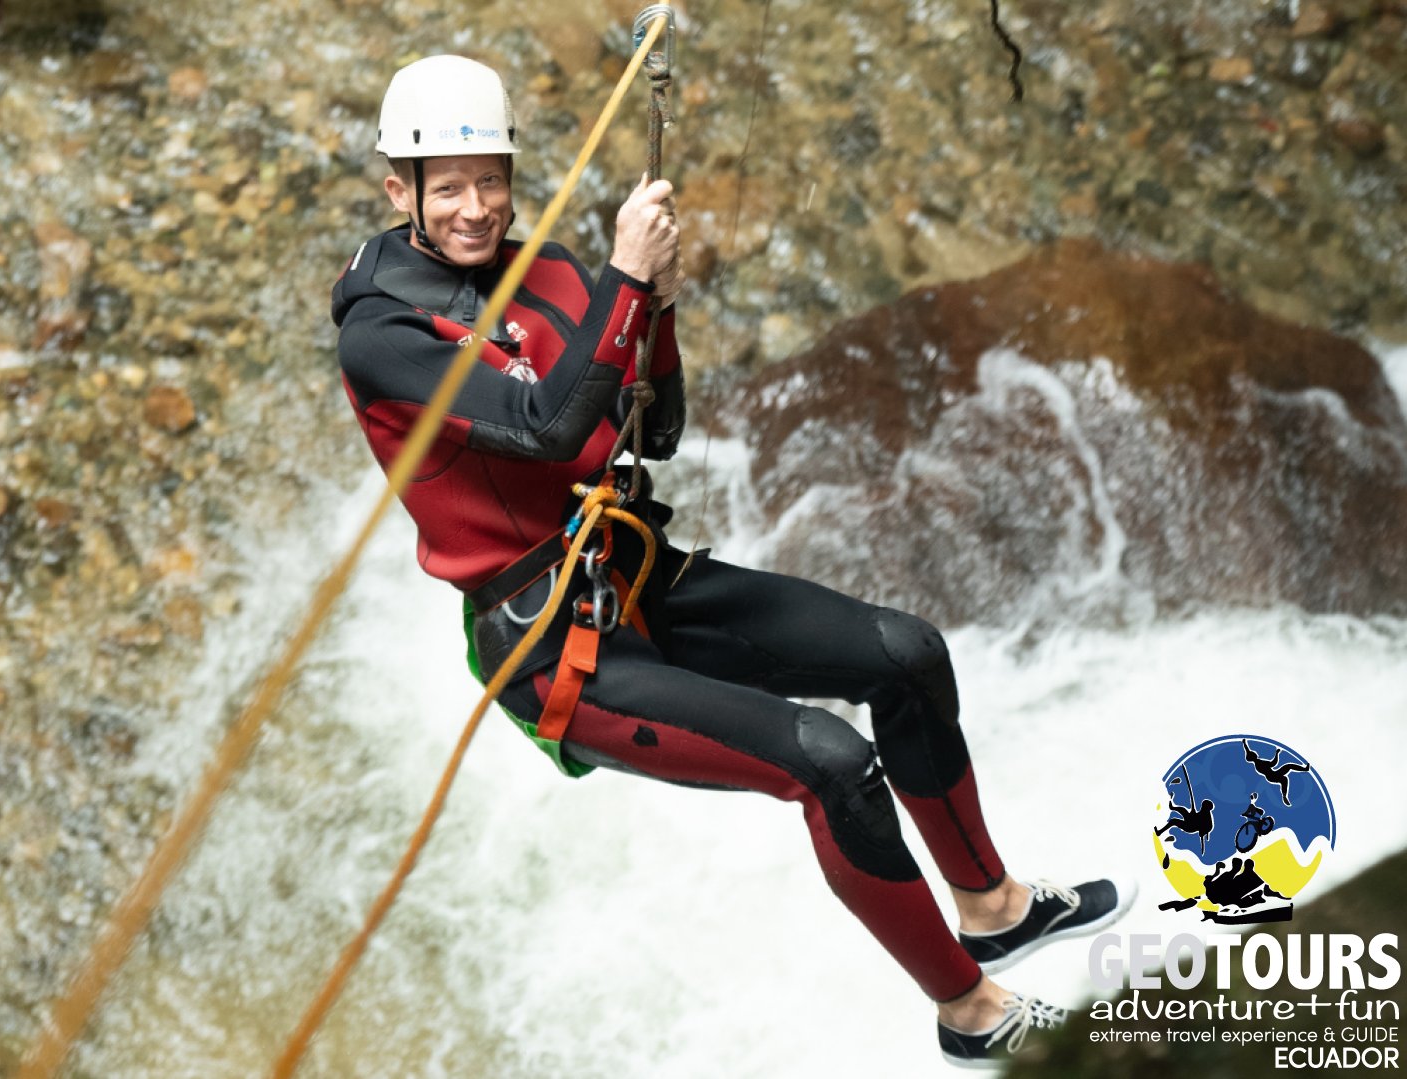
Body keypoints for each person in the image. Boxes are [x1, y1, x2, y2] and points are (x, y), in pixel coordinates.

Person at [331, 54, 1134, 1069]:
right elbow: (550, 428)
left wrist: (652, 306)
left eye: (490, 178)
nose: (476, 205)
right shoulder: (385, 332)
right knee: (828, 764)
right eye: (447, 186)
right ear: (397, 188)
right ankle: (970, 1011)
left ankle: (995, 904)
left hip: (632, 574)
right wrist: (625, 281)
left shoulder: (554, 271)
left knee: (906, 652)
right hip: (549, 647)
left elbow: (652, 430)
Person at [1242, 739, 1311, 807]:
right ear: (1254, 756)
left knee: (1288, 767)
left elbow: (1247, 751)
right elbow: (1273, 763)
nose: (1255, 753)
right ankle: (1284, 796)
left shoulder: (1257, 763)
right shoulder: (1259, 763)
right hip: (1272, 776)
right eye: (1254, 753)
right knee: (1284, 778)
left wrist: (1245, 743)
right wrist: (1277, 754)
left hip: (1273, 774)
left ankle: (1305, 769)